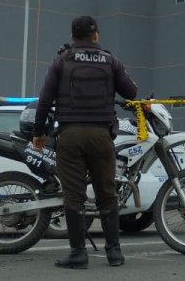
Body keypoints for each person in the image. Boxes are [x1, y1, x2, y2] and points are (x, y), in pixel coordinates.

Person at [33, 16, 138, 269]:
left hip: (69, 135)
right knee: (107, 193)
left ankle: (78, 254)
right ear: (96, 36)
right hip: (101, 136)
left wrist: (39, 132)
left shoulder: (62, 60)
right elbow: (131, 93)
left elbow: (45, 99)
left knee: (74, 196)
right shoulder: (110, 60)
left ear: (72, 35)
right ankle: (114, 253)